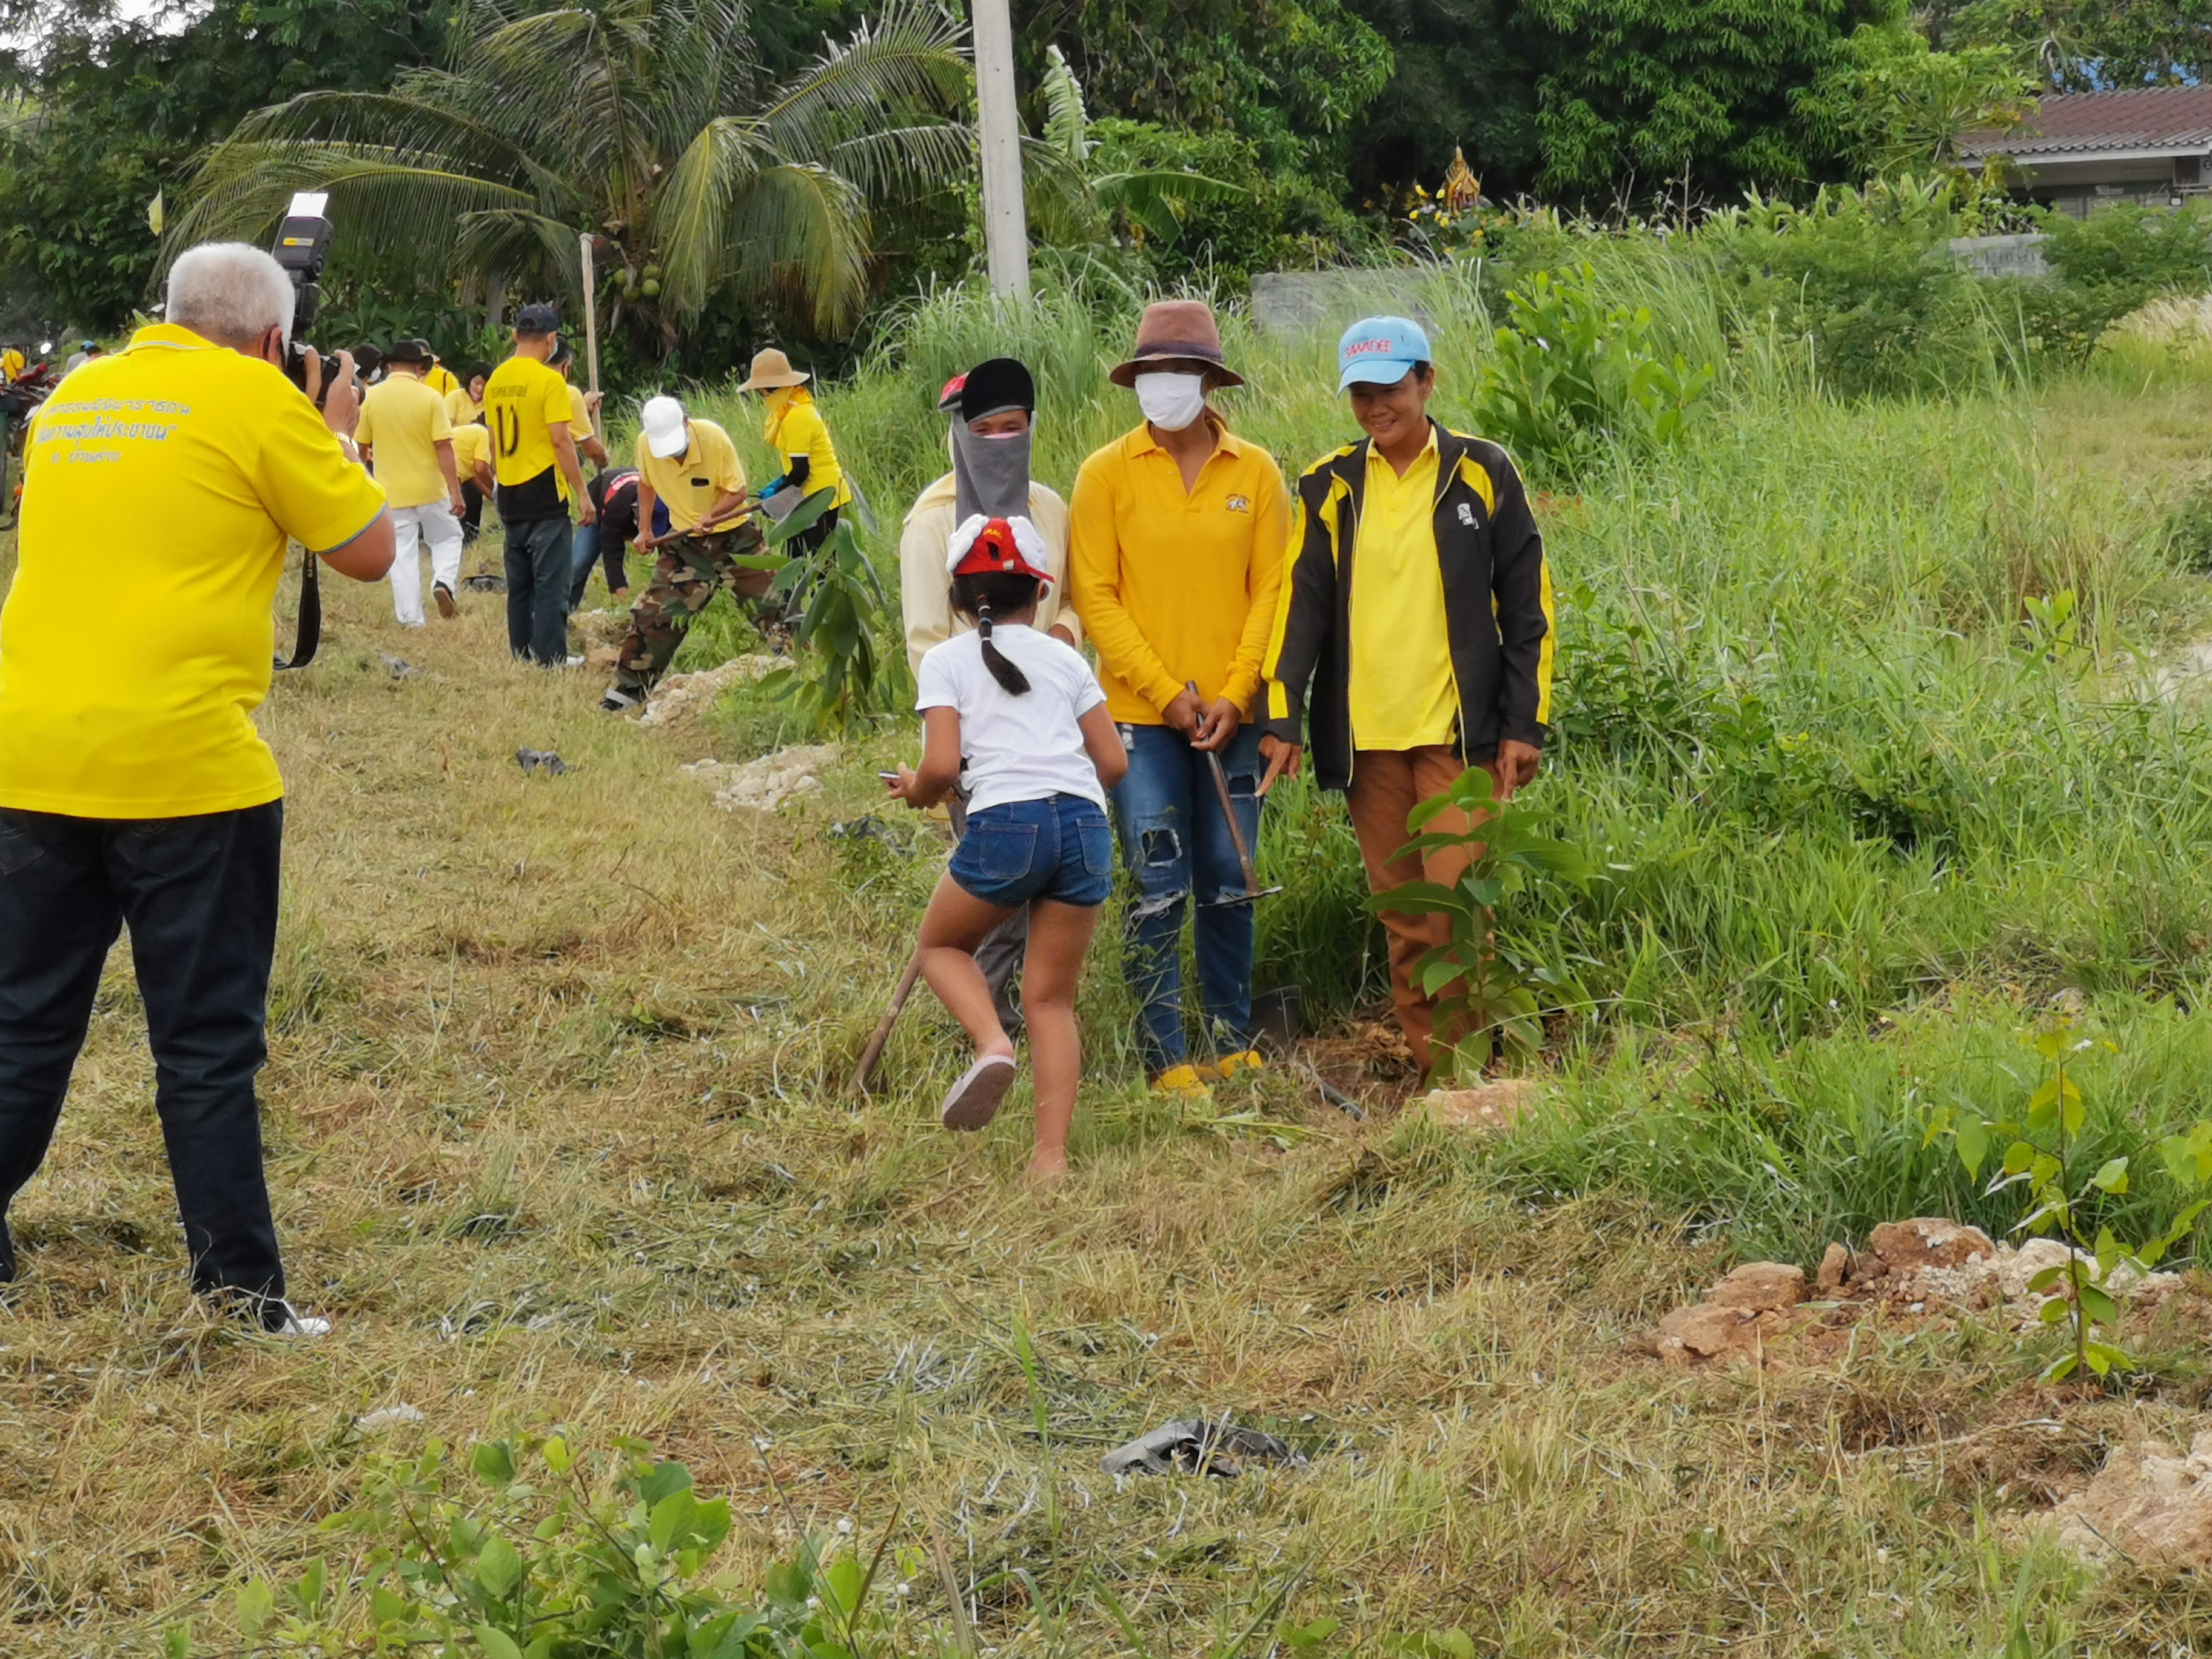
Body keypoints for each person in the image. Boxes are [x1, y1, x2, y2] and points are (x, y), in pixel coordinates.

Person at [0, 241, 394, 1335]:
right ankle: (239, 1293)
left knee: (24, 1024)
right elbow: (366, 551)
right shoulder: (256, 402)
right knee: (206, 1046)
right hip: (181, 769)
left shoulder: (72, 400)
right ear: (275, 340)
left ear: (170, 311)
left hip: (28, 752)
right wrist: (336, 427)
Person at [1260, 317, 1553, 1080]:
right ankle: (1440, 1076)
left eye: (1389, 389)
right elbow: (1304, 602)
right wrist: (1282, 711)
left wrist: (1525, 723)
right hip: (1368, 739)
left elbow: (1528, 608)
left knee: (1456, 910)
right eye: (1360, 393)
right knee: (1404, 918)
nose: (1374, 407)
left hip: (1462, 736)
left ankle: (1473, 1070)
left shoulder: (1483, 471)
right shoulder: (1330, 483)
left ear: (1427, 381)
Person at [1067, 300, 1289, 1099]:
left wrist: (1237, 693)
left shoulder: (1256, 473)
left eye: (1179, 372)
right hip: (1141, 720)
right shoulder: (1105, 474)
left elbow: (1272, 589)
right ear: (1137, 379)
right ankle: (1165, 1054)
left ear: (1206, 379)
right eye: (1151, 373)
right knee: (1157, 881)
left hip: (1235, 716)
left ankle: (1231, 1035)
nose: (1164, 386)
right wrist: (1164, 695)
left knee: (1231, 872)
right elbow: (1095, 597)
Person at [885, 517, 1127, 1182]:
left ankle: (992, 1044)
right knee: (1052, 1000)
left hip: (1006, 826)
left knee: (940, 946)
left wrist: (916, 792)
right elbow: (1112, 762)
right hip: (1084, 824)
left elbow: (939, 767)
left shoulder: (947, 660)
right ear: (1041, 592)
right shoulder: (1067, 659)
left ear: (959, 599)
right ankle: (1050, 1161)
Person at [900, 357, 1085, 1034]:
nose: (1002, 442)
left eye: (1016, 428)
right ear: (963, 434)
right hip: (975, 736)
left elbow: (1072, 601)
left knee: (1049, 887)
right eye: (987, 430)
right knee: (990, 891)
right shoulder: (933, 521)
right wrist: (945, 753)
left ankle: (1030, 1019)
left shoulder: (1050, 508)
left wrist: (1061, 634)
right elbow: (924, 639)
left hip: (1052, 728)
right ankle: (989, 1030)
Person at [600, 394, 761, 712]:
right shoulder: (646, 445)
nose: (673, 455)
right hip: (686, 545)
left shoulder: (713, 438)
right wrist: (645, 529)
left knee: (775, 606)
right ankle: (627, 692)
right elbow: (647, 485)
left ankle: (809, 668)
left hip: (737, 538)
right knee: (655, 614)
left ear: (687, 425)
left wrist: (712, 515)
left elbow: (738, 491)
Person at [483, 303, 593, 666]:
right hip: (544, 492)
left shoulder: (496, 379)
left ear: (515, 335)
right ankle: (551, 659)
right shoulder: (550, 381)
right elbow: (561, 441)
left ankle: (522, 653)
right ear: (551, 340)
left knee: (520, 584)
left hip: (510, 491)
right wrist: (582, 494)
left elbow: (493, 440)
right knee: (551, 584)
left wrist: (500, 482)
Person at [354, 337, 466, 625]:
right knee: (448, 538)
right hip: (431, 488)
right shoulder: (430, 398)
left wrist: (365, 480)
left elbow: (361, 447)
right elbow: (444, 447)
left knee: (402, 554)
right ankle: (443, 582)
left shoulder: (373, 398)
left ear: (390, 365)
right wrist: (456, 492)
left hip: (391, 491)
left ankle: (410, 618)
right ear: (419, 367)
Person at [740, 346, 848, 558]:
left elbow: (801, 471)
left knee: (823, 560)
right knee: (794, 555)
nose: (761, 398)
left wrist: (778, 498)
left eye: (761, 392)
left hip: (822, 497)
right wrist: (780, 485)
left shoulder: (796, 417)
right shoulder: (790, 410)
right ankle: (791, 593)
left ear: (772, 388)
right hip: (805, 494)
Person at [567, 465, 666, 611]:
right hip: (599, 504)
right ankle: (556, 610)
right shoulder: (618, 508)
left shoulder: (667, 505)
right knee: (579, 563)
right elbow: (611, 551)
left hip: (632, 510)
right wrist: (621, 592)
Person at [549, 338, 609, 471]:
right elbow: (593, 452)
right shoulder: (568, 394)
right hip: (548, 482)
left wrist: (581, 406)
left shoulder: (522, 387)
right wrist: (605, 458)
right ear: (565, 366)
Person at [451, 414, 494, 546]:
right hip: (451, 478)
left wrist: (494, 498)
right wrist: (495, 488)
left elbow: (473, 477)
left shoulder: (467, 434)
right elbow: (481, 468)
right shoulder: (483, 433)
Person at [445, 358, 491, 430]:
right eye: (477, 383)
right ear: (469, 380)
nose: (480, 389)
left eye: (485, 385)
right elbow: (446, 427)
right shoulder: (455, 397)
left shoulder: (491, 401)